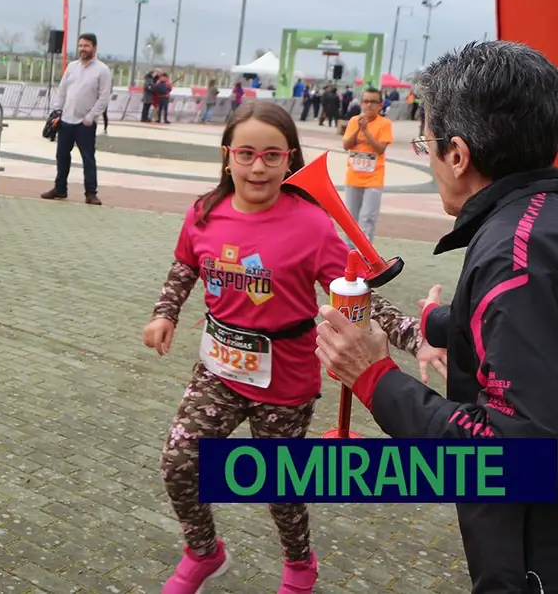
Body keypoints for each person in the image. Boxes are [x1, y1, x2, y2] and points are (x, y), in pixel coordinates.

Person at [141, 102, 428, 594]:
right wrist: (165, 313)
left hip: (286, 379)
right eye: (246, 153)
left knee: (280, 485)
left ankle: (299, 566)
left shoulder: (310, 224)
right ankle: (204, 552)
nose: (257, 167)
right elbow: (185, 266)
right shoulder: (204, 212)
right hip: (219, 369)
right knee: (179, 460)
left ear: (289, 158)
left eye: (272, 156)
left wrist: (419, 337)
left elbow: (356, 292)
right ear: (227, 155)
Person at [317, 41, 558, 593]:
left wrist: (374, 376)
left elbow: (509, 459)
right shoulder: (537, 226)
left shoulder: (511, 257)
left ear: (458, 154)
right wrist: (438, 324)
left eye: (426, 144)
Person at [40, 33, 112, 206]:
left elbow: (104, 97)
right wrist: (58, 111)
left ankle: (90, 193)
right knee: (62, 156)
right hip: (66, 120)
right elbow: (62, 90)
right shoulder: (72, 67)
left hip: (84, 124)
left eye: (86, 46)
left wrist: (91, 117)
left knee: (88, 158)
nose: (82, 49)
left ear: (94, 47)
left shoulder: (102, 70)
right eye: (80, 46)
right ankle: (60, 189)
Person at [340, 87, 393, 243]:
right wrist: (358, 128)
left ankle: (365, 255)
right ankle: (349, 252)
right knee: (350, 218)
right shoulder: (353, 121)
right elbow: (346, 145)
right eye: (365, 101)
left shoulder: (385, 124)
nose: (369, 105)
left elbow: (380, 149)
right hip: (353, 177)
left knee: (367, 218)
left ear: (380, 105)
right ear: (361, 103)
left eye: (373, 102)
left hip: (374, 178)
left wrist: (366, 131)